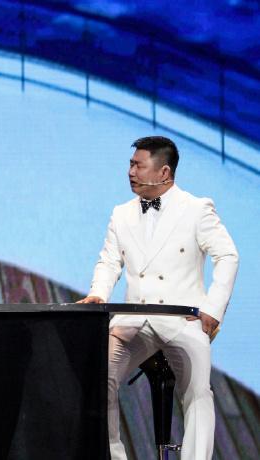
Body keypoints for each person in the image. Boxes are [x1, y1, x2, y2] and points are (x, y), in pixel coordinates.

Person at [78, 136, 239, 460]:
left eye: (138, 165)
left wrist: (213, 308)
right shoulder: (121, 214)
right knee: (98, 375)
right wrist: (98, 292)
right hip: (134, 320)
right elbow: (109, 261)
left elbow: (227, 255)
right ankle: (114, 456)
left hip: (182, 320)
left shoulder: (196, 209)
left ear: (164, 172)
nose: (130, 172)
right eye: (130, 164)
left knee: (198, 392)